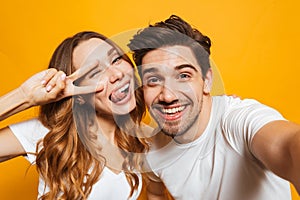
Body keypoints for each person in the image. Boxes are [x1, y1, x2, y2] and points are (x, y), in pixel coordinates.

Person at [128, 15, 300, 199]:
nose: (168, 96)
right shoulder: (153, 149)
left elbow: (287, 146)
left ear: (207, 81)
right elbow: (155, 192)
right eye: (153, 80)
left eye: (184, 76)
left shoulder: (239, 121)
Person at [0, 31, 150, 199]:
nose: (117, 75)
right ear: (78, 93)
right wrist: (24, 97)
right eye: (95, 72)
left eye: (116, 59)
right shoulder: (49, 134)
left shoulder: (139, 138)